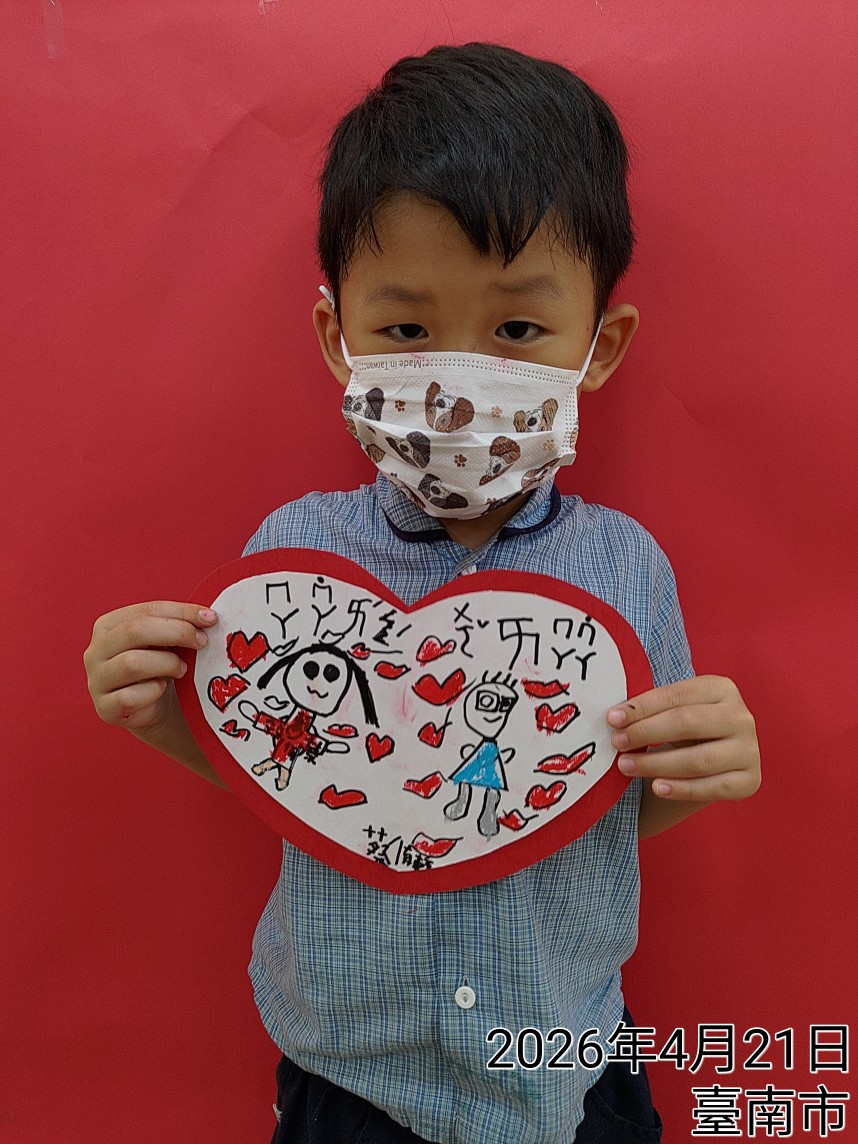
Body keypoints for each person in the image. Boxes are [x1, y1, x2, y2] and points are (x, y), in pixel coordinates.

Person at [83, 43, 761, 1144]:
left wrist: (705, 762)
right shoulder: (291, 558)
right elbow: (288, 764)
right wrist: (162, 708)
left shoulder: (626, 568)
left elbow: (622, 796)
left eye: (518, 329)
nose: (458, 373)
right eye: (405, 329)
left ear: (598, 347)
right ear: (337, 337)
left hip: (565, 1071)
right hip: (348, 1082)